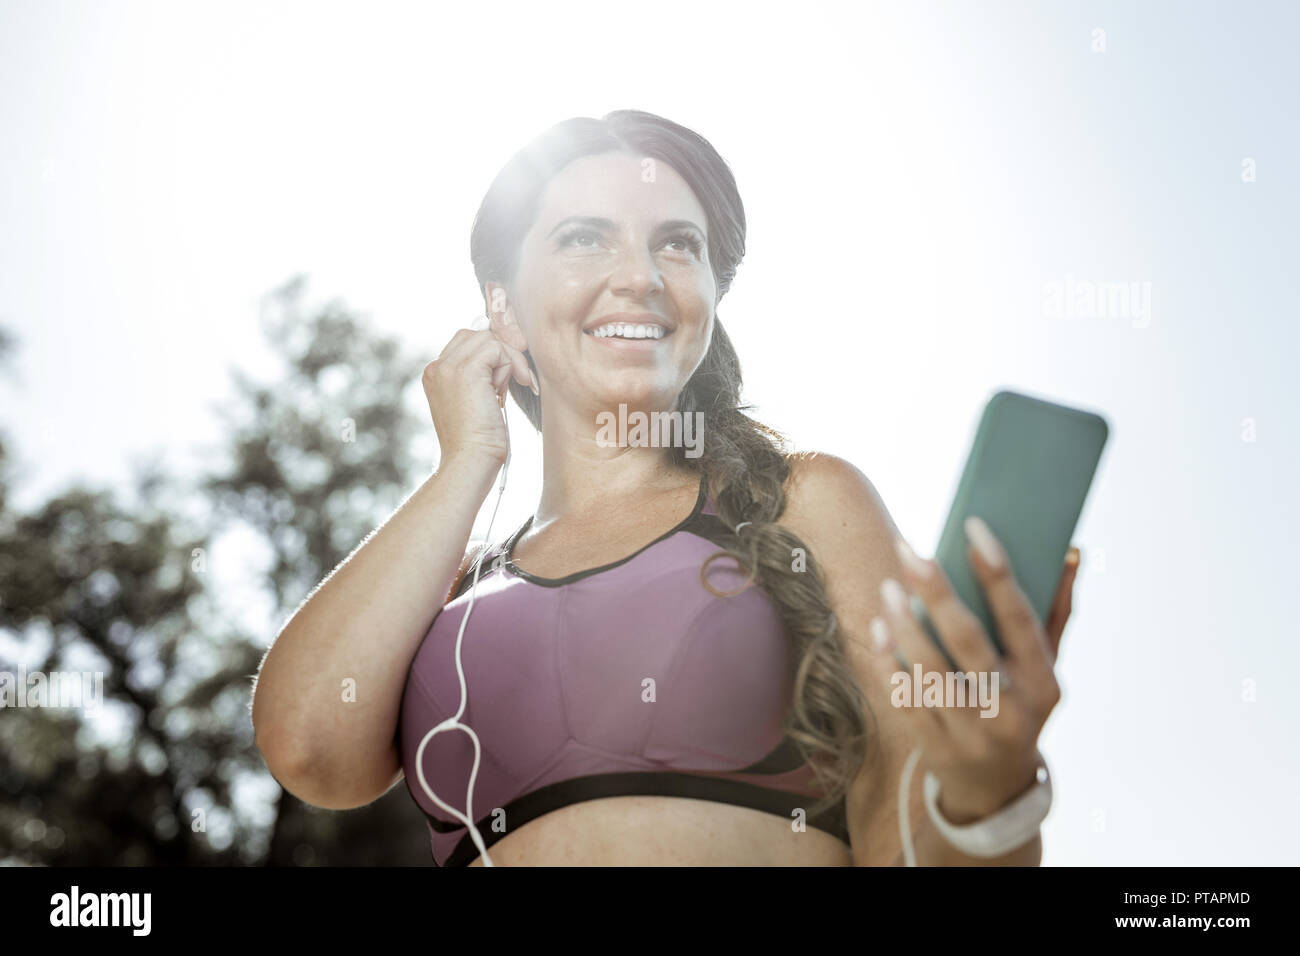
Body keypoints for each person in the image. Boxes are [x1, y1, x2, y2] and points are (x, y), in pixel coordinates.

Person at [251, 109, 1081, 867]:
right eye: (584, 238)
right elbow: (308, 749)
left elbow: (913, 846)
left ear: (711, 297)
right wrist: (468, 461)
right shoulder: (446, 593)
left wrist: (989, 792)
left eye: (679, 244)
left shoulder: (804, 504)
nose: (641, 275)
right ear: (503, 311)